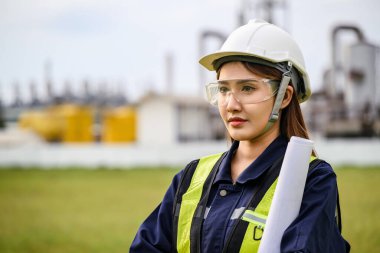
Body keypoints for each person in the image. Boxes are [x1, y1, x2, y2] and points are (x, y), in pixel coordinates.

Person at [130, 20, 350, 253]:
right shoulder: (191, 177)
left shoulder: (312, 180)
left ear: (284, 97)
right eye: (224, 89)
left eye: (247, 88)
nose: (231, 105)